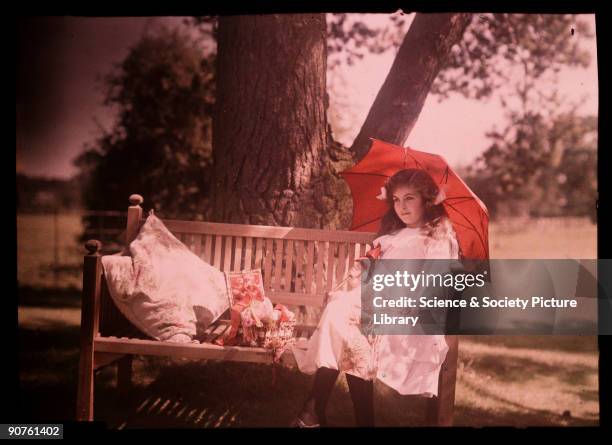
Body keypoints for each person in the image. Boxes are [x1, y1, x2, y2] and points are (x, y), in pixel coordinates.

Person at [290, 168, 460, 427]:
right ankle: (333, 416)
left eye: (409, 199)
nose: (401, 206)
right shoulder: (393, 236)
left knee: (346, 325)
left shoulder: (436, 238)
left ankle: (313, 410)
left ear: (427, 200)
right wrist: (354, 278)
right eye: (396, 200)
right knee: (343, 318)